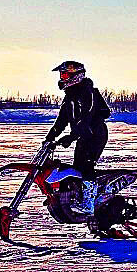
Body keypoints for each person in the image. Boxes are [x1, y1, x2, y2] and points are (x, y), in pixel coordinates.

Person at [44, 60, 112, 212]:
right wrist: (50, 138)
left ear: (76, 75)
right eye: (62, 74)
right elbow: (61, 120)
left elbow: (86, 117)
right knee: (77, 168)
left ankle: (89, 202)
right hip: (82, 136)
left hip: (95, 134)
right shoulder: (70, 97)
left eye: (65, 74)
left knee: (87, 166)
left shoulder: (88, 93)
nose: (62, 77)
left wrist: (71, 137)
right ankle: (74, 197)